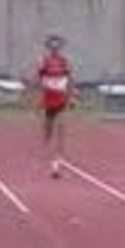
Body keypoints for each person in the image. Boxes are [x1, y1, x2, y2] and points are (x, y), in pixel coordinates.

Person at [36, 35, 74, 179]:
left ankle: (56, 164)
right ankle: (47, 155)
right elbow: (38, 79)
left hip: (61, 99)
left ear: (60, 47)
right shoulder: (44, 62)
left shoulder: (64, 62)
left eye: (57, 46)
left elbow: (69, 79)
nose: (55, 48)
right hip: (48, 99)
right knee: (48, 131)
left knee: (61, 130)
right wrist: (37, 97)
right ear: (49, 47)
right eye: (52, 45)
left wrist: (71, 97)